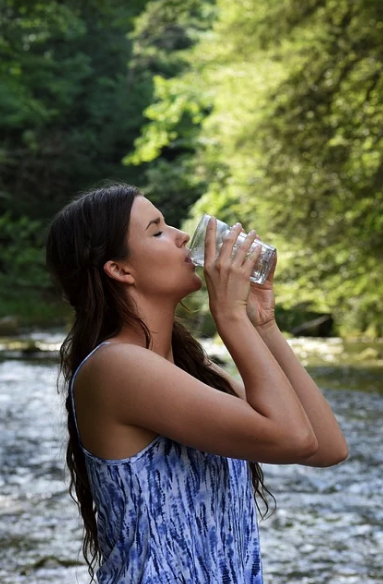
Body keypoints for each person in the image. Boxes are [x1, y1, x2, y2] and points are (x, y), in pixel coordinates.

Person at [46, 183, 348, 584]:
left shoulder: (190, 367)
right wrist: (231, 317)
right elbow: (293, 438)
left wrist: (264, 324)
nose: (182, 236)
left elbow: (326, 446)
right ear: (121, 270)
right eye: (157, 231)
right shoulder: (117, 367)